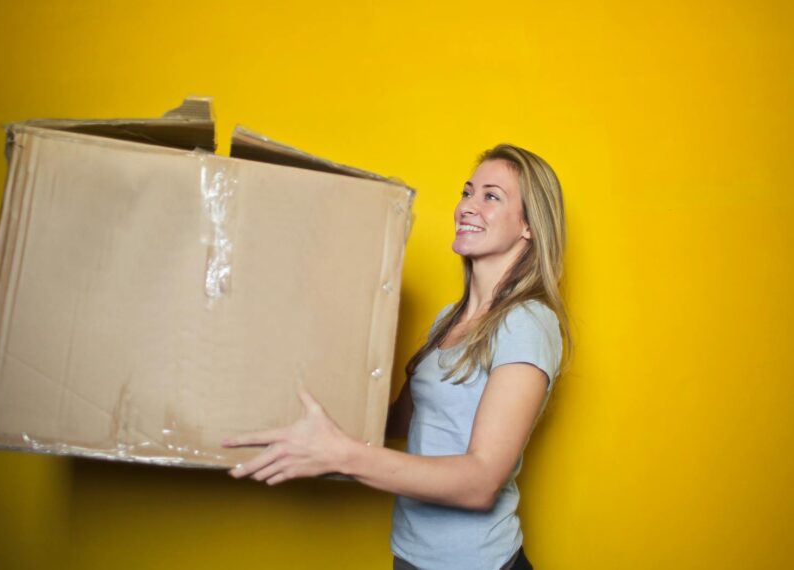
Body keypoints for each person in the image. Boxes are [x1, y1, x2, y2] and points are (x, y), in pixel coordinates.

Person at [221, 143, 573, 570]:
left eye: (491, 196)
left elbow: (481, 482)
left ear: (530, 227)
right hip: (411, 555)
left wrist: (341, 456)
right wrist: (287, 404)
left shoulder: (527, 323)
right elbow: (401, 420)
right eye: (467, 192)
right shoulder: (450, 318)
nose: (467, 206)